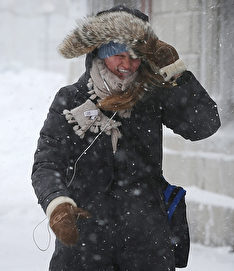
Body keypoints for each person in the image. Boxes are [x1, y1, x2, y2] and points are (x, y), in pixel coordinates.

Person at [31, 5, 220, 271]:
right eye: (118, 55)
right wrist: (57, 203)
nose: (127, 65)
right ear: (99, 52)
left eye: (135, 57)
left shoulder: (154, 95)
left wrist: (175, 70)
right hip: (85, 244)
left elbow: (204, 125)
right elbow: (47, 162)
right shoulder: (71, 98)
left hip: (146, 244)